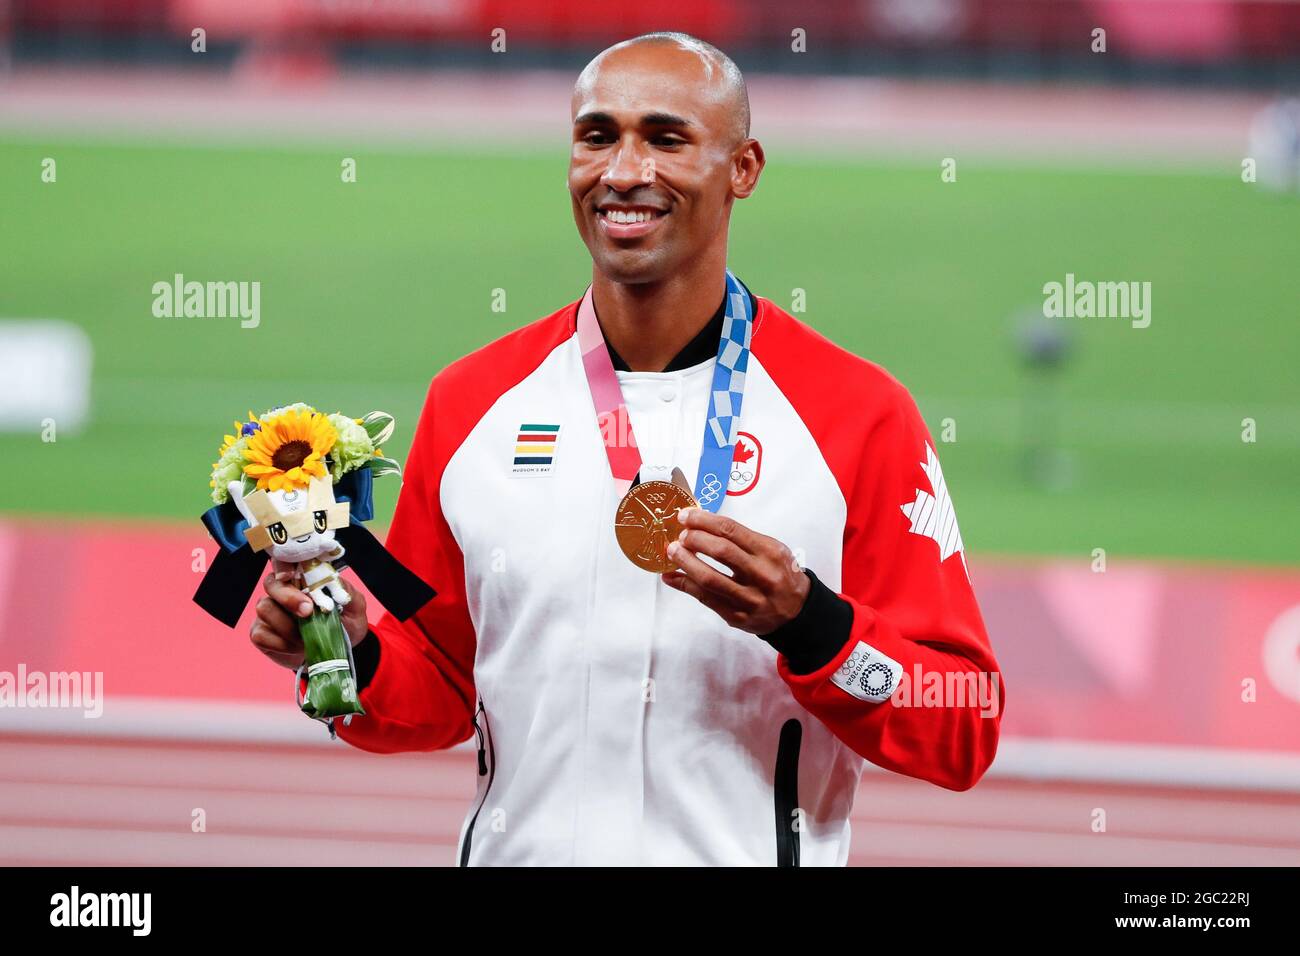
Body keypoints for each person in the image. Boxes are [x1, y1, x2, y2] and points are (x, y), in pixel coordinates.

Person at [251, 32, 1003, 866]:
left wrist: (814, 626)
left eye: (666, 138)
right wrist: (349, 655)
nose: (623, 171)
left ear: (743, 169)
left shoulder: (858, 414)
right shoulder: (470, 404)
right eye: (598, 135)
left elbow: (963, 720)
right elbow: (439, 682)